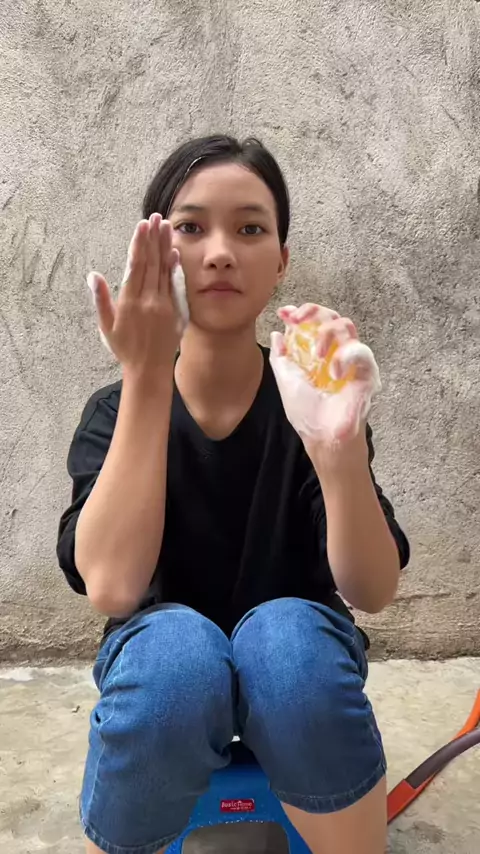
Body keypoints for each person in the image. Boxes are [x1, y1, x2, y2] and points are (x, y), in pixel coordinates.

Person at [57, 134, 410, 854]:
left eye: (250, 229)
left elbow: (372, 589)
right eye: (191, 228)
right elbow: (113, 588)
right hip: (160, 673)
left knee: (287, 644)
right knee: (176, 659)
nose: (220, 252)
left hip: (302, 668)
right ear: (155, 256)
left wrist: (338, 452)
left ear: (281, 260)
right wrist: (146, 375)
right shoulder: (113, 411)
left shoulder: (313, 399)